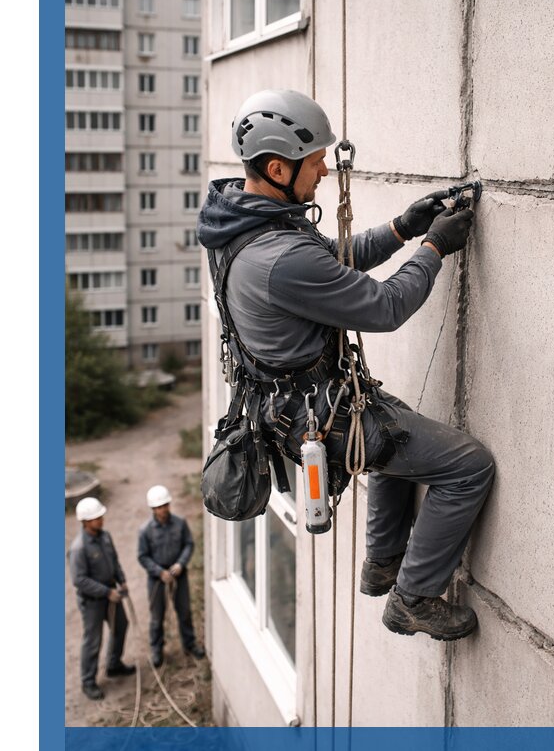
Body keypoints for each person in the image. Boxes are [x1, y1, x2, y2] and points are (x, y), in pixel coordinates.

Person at [197, 89, 495, 641]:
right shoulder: (279, 255)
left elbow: (328, 264)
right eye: (315, 163)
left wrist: (403, 228)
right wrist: (433, 249)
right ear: (278, 168)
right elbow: (385, 307)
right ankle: (413, 599)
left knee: (395, 440)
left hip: (295, 404)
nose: (324, 173)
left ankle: (383, 563)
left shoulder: (243, 220)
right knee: (467, 466)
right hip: (318, 415)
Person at [68, 497, 135, 700]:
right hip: (93, 602)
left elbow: (114, 560)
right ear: (85, 522)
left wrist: (121, 580)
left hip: (112, 595)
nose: (101, 519)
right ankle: (88, 681)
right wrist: (106, 592)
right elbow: (79, 580)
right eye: (97, 518)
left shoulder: (105, 536)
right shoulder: (79, 548)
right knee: (93, 640)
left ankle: (113, 665)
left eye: (101, 516)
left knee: (121, 626)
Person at [137, 485, 205, 667]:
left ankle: (190, 644)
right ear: (153, 509)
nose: (163, 510)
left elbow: (189, 544)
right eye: (159, 507)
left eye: (165, 505)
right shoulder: (145, 531)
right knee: (157, 616)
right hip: (157, 578)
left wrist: (180, 564)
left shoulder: (180, 523)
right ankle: (157, 649)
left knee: (184, 612)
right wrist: (159, 572)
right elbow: (142, 556)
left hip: (178, 574)